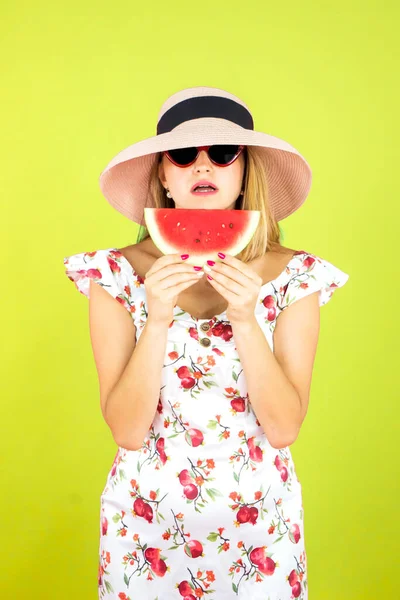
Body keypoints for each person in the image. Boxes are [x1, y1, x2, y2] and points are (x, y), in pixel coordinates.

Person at [63, 86, 349, 599]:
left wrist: (245, 318)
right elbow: (127, 431)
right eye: (182, 154)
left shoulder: (296, 276)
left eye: (222, 154)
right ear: (164, 177)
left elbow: (284, 428)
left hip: (260, 535)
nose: (203, 167)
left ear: (244, 173)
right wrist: (156, 320)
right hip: (142, 531)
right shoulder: (113, 275)